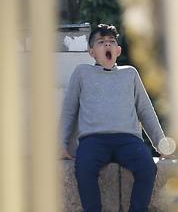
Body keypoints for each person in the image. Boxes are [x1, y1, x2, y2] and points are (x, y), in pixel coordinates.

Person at [60, 24, 168, 212]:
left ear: (118, 50)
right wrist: (60, 144)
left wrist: (162, 145)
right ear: (92, 52)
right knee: (84, 168)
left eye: (111, 42)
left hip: (128, 140)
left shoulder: (130, 74)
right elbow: (69, 110)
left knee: (147, 167)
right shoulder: (82, 73)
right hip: (93, 140)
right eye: (101, 43)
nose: (107, 46)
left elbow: (145, 111)